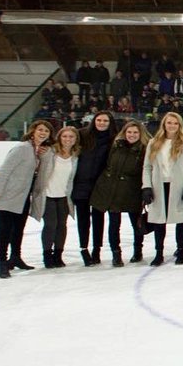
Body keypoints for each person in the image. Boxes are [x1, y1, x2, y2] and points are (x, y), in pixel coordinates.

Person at [0, 120, 53, 277]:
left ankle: (15, 257)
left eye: (46, 131)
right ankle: (2, 262)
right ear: (33, 131)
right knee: (4, 230)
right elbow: (4, 171)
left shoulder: (36, 150)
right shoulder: (22, 148)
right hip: (7, 196)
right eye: (40, 130)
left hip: (23, 197)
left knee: (18, 229)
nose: (43, 133)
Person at [91, 120, 149, 267]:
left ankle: (138, 251)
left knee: (136, 224)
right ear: (124, 133)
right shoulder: (116, 146)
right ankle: (116, 254)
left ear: (140, 134)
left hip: (132, 191)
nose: (132, 135)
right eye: (129, 132)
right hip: (113, 190)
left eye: (135, 132)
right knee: (114, 224)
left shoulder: (144, 149)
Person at [141, 112, 183, 267]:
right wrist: (146, 186)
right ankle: (159, 253)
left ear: (180, 126)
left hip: (178, 186)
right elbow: (147, 167)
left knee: (181, 221)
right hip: (158, 186)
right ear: (164, 124)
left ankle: (182, 250)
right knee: (159, 222)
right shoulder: (153, 143)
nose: (172, 126)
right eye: (169, 123)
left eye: (175, 123)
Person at [73, 111, 115, 266]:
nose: (102, 123)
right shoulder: (82, 135)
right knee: (83, 218)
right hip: (81, 184)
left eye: (105, 121)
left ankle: (96, 249)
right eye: (99, 120)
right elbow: (64, 140)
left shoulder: (114, 139)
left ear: (110, 123)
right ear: (94, 121)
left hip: (100, 185)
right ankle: (84, 249)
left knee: (98, 218)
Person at [36, 125, 79, 268]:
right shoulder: (49, 152)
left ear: (76, 139)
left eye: (71, 136)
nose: (68, 139)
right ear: (59, 138)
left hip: (64, 197)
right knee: (50, 225)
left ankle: (58, 255)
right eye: (64, 136)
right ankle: (47, 255)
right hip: (48, 195)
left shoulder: (76, 156)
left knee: (62, 226)